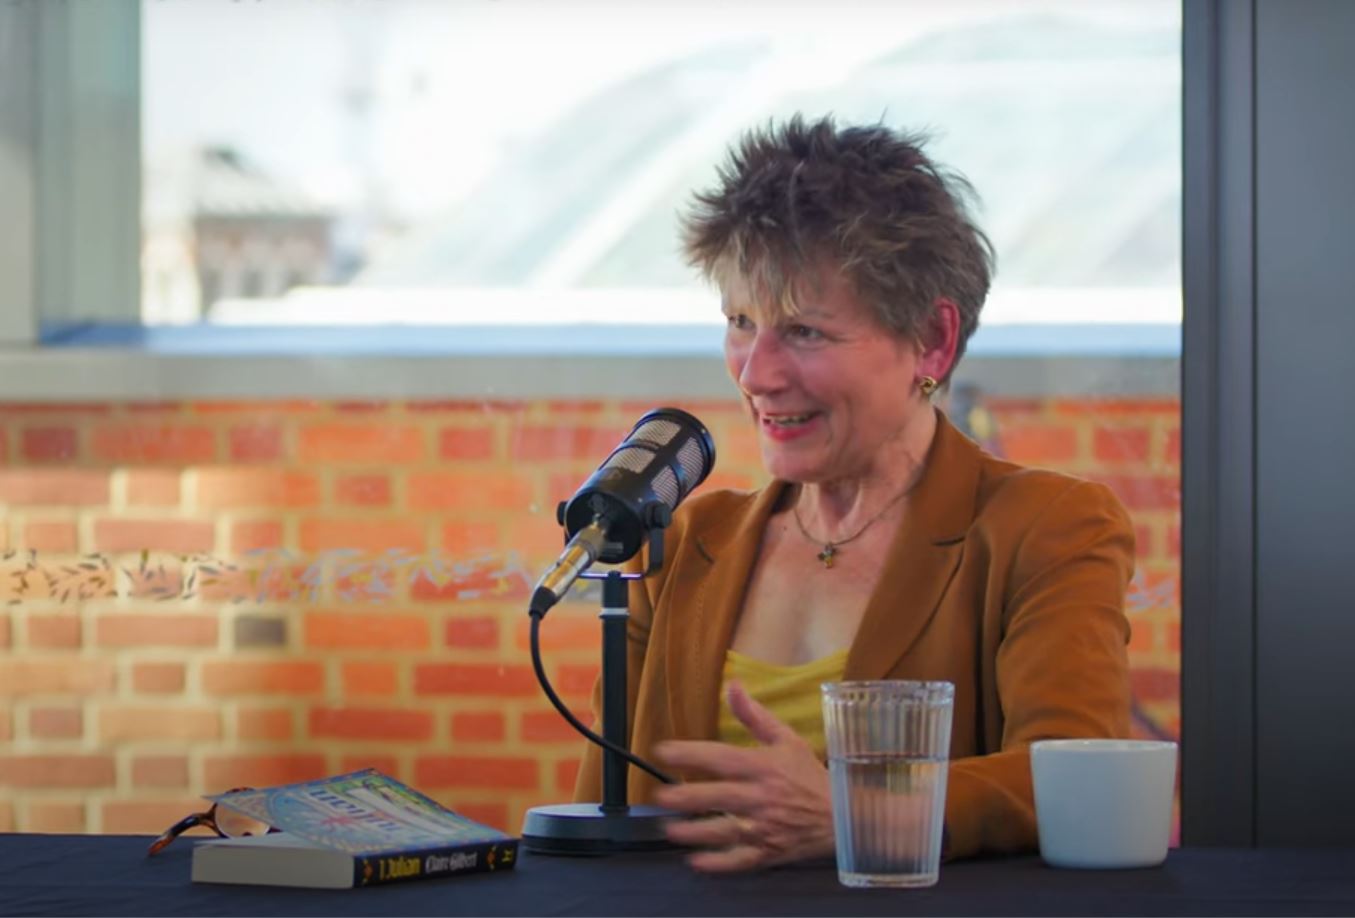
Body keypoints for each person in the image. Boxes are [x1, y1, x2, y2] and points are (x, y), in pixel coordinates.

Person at [572, 114, 1134, 869]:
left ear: (930, 342)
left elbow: (1074, 779)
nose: (755, 373)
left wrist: (853, 813)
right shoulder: (685, 541)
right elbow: (596, 821)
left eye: (803, 331)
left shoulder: (1044, 528)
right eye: (740, 321)